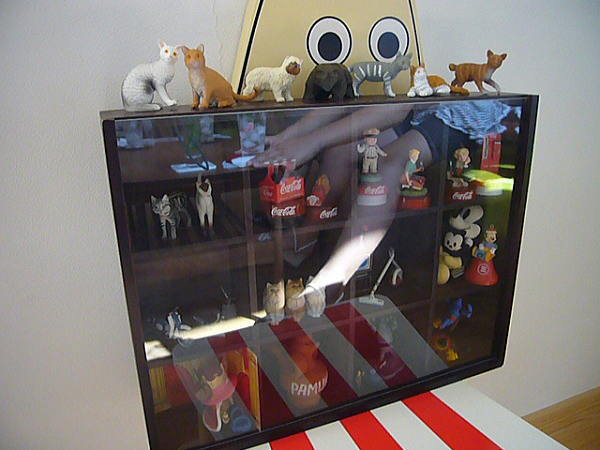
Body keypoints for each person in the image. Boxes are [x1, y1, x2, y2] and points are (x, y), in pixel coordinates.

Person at [250, 99, 517, 302]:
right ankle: (305, 240)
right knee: (339, 150)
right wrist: (292, 137)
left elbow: (396, 109)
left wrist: (312, 141)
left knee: (385, 167)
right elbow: (352, 102)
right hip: (426, 109)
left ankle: (332, 282)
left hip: (469, 115)